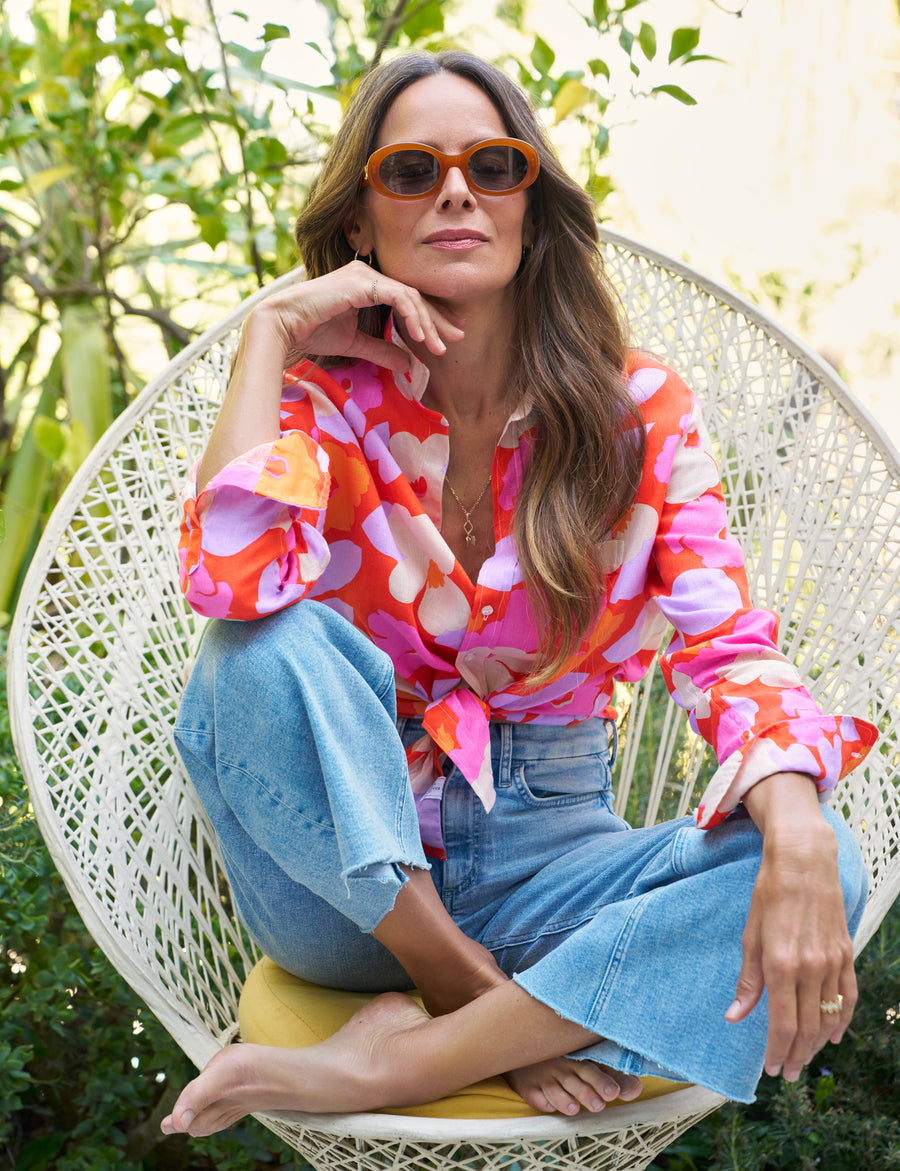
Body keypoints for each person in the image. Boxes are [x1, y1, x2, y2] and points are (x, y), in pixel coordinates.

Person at [160, 49, 876, 1139]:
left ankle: (395, 1062)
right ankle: (473, 992)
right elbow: (232, 585)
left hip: (557, 858)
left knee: (827, 857)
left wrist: (798, 825)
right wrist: (269, 335)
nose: (457, 192)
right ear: (360, 222)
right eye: (412, 171)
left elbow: (725, 644)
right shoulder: (320, 403)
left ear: (531, 208)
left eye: (493, 166)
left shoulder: (638, 409)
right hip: (352, 886)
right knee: (257, 647)